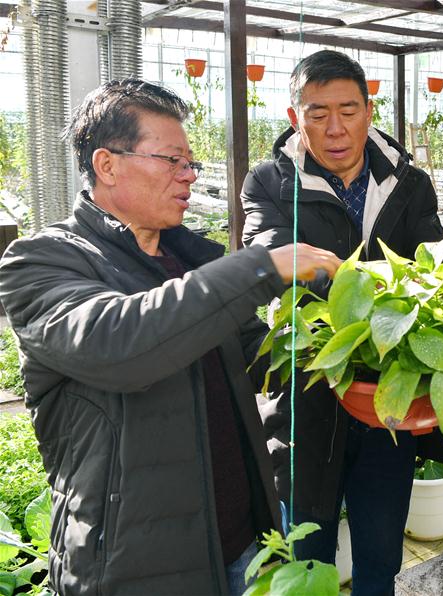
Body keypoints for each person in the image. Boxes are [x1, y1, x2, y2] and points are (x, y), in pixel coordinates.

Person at [0, 79, 342, 596]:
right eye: (172, 161)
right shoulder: (42, 261)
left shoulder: (191, 259)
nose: (188, 176)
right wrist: (259, 268)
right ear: (106, 164)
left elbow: (261, 359)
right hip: (134, 565)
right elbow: (121, 343)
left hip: (239, 546)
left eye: (191, 164)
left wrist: (358, 343)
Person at [241, 49, 443, 595]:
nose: (335, 128)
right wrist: (364, 287)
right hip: (307, 396)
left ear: (369, 109)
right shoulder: (270, 182)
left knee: (379, 557)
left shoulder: (408, 182)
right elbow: (269, 257)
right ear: (295, 117)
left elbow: (440, 268)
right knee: (307, 558)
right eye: (317, 113)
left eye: (348, 110)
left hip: (390, 390)